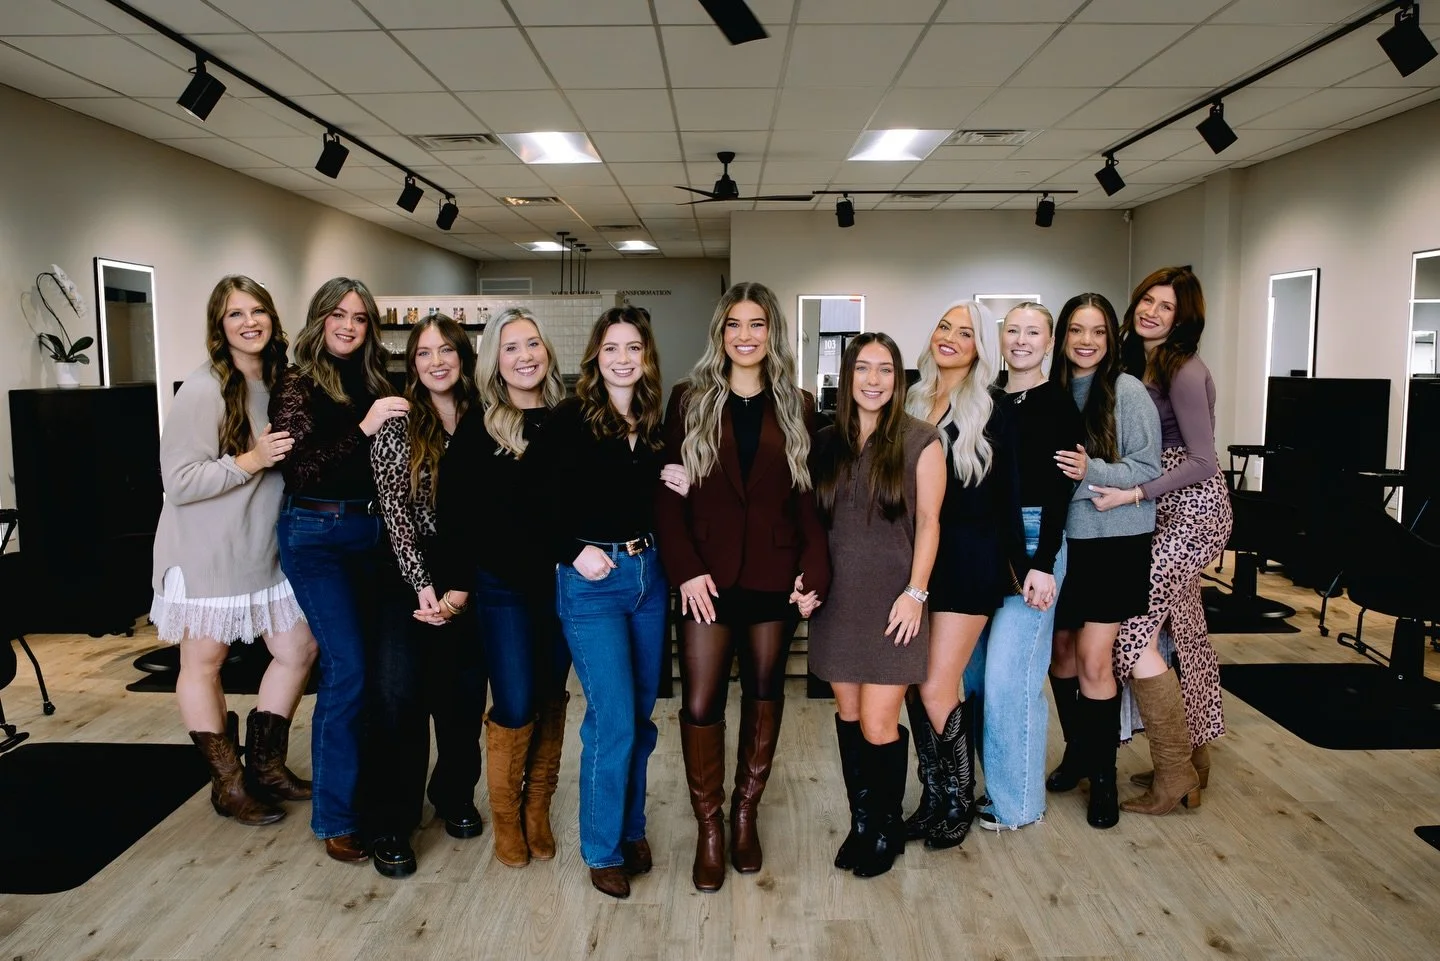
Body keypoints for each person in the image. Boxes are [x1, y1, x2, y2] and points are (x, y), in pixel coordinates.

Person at [655, 282, 830, 892]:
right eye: (734, 324)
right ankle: (709, 826)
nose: (745, 335)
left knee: (764, 694)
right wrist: (684, 568)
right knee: (701, 704)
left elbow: (807, 501)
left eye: (757, 324)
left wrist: (815, 568)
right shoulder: (689, 399)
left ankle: (745, 815)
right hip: (704, 577)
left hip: (773, 579)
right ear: (720, 332)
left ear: (772, 332)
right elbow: (667, 493)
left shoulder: (798, 404)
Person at [152, 275, 316, 827]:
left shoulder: (282, 380)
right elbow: (178, 482)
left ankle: (265, 767)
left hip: (262, 545)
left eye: (257, 310)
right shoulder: (203, 389)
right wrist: (252, 459)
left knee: (298, 648)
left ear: (272, 316)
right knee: (204, 662)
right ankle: (227, 784)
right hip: (209, 548)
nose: (249, 322)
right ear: (219, 327)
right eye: (235, 314)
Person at [526, 306, 669, 899]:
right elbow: (531, 500)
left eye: (633, 347)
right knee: (611, 719)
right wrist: (571, 550)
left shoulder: (653, 420)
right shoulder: (569, 417)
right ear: (595, 356)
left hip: (648, 577)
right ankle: (603, 849)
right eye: (611, 348)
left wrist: (676, 477)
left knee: (639, 717)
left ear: (646, 356)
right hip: (591, 582)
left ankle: (631, 829)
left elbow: (646, 492)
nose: (622, 358)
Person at [270, 277, 408, 862]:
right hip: (316, 535)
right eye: (338, 315)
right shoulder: (297, 382)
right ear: (319, 318)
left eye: (359, 317)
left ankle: (376, 804)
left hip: (374, 536)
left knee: (380, 675)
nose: (349, 326)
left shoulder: (377, 379)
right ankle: (334, 816)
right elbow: (300, 470)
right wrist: (364, 427)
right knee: (347, 668)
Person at [433, 307, 571, 869]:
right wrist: (458, 583)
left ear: (546, 351)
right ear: (495, 360)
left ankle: (538, 809)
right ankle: (508, 818)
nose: (525, 356)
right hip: (502, 588)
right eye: (511, 348)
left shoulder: (569, 418)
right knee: (514, 700)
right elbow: (455, 513)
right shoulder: (480, 426)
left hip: (561, 586)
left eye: (532, 343)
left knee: (551, 697)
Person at [809, 332, 945, 879]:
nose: (873, 379)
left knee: (878, 720)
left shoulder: (921, 440)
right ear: (847, 377)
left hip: (895, 603)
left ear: (898, 378)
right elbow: (809, 524)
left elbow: (931, 523)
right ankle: (862, 823)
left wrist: (916, 593)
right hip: (838, 603)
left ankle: (886, 827)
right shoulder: (824, 442)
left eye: (885, 369)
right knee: (848, 715)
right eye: (862, 368)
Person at [1103, 267, 1232, 815]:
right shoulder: (1142, 361)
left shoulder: (1182, 369)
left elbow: (1202, 461)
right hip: (1165, 508)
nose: (1151, 312)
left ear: (1183, 319)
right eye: (1147, 300)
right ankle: (1194, 760)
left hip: (1194, 512)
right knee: (1186, 632)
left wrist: (1135, 492)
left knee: (1132, 630)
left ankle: (1174, 772)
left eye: (1167, 307)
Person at [366, 315, 486, 877]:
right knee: (399, 699)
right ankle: (393, 819)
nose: (436, 361)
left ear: (463, 356)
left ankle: (453, 794)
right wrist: (424, 588)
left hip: (469, 573)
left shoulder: (486, 417)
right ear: (411, 363)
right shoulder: (398, 420)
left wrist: (460, 588)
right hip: (404, 576)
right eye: (423, 353)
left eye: (446, 350)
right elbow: (395, 515)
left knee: (462, 698)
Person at [902, 300, 1025, 850]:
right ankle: (933, 797)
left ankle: (958, 797)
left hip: (969, 561)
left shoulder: (992, 409)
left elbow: (1009, 496)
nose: (950, 337)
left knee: (936, 685)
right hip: (915, 562)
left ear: (981, 348)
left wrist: (1025, 566)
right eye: (944, 326)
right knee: (913, 681)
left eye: (966, 332)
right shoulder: (911, 398)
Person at [967, 303, 1085, 831]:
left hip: (1037, 541)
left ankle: (1018, 804)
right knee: (976, 678)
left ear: (1049, 341)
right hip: (984, 540)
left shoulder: (1058, 404)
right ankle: (993, 785)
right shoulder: (985, 397)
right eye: (1012, 330)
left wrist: (1044, 563)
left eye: (1032, 332)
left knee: (1010, 678)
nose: (1020, 340)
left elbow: (1061, 492)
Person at [1046, 293, 1161, 829]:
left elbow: (1148, 467)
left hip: (1114, 541)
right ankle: (1078, 753)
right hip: (1061, 542)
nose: (1086, 341)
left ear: (1111, 338)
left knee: (1094, 659)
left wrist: (1092, 469)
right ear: (1062, 337)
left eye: (1097, 331)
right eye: (1076, 330)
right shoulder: (1050, 391)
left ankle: (1104, 779)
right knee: (1060, 655)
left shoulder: (1127, 390)